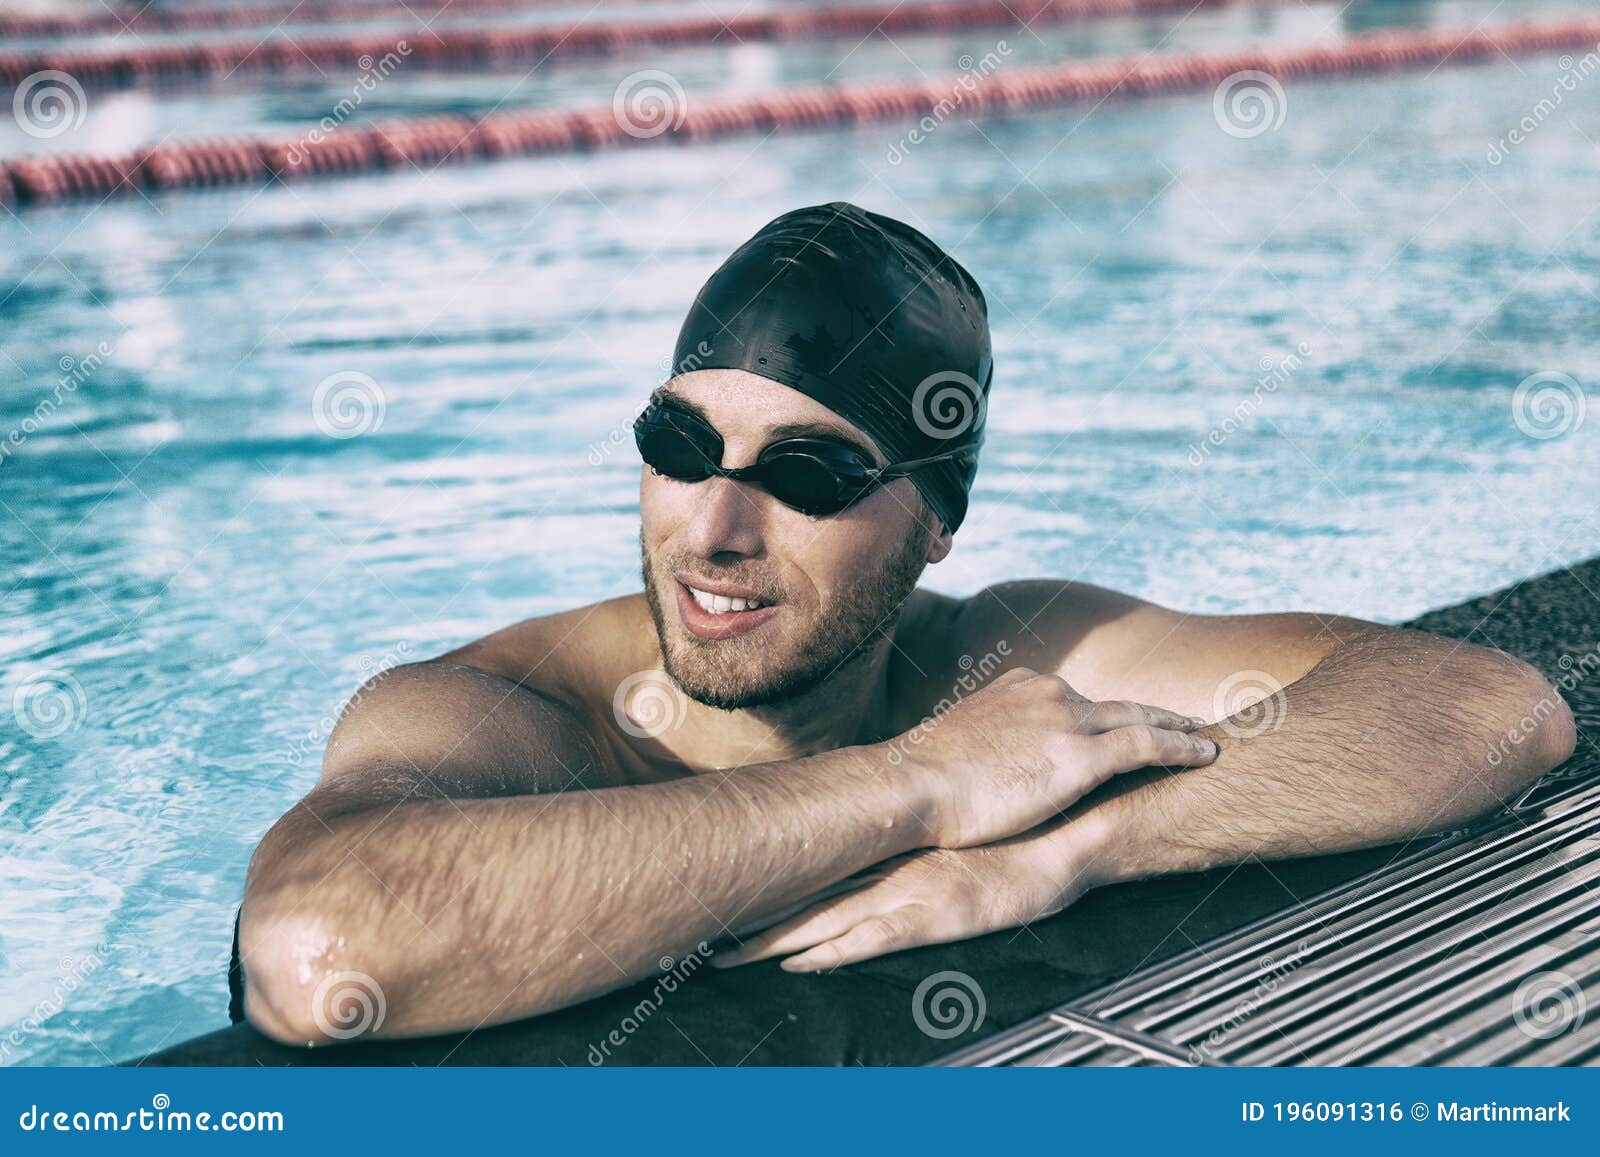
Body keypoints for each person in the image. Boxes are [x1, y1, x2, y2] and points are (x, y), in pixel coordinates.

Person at [238, 201, 1575, 1045]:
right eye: (680, 443)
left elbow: (1491, 708)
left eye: (808, 474)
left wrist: (1078, 854)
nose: (714, 527)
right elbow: (318, 953)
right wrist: (920, 786)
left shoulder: (1005, 654)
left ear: (937, 521)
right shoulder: (504, 708)